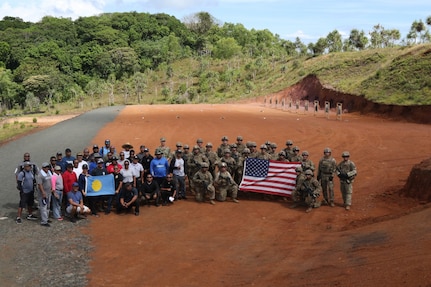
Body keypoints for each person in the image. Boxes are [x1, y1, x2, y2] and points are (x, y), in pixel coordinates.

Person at [36, 162, 53, 227]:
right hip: (43, 194)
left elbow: (51, 179)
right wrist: (43, 192)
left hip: (49, 192)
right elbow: (40, 184)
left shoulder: (48, 172)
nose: (47, 168)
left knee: (48, 206)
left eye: (47, 167)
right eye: (45, 167)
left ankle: (46, 218)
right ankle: (44, 221)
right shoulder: (40, 175)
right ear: (42, 168)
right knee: (43, 207)